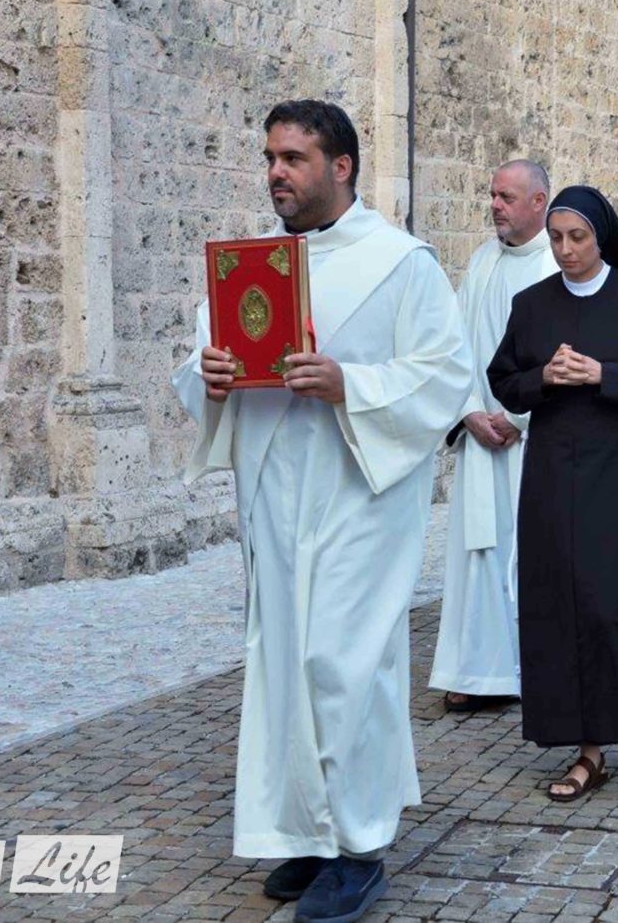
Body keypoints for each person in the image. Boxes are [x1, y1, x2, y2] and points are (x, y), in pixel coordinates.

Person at [172, 100, 473, 923]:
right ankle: (306, 832)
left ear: (341, 167)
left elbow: (447, 374)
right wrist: (209, 376)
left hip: (358, 495)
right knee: (283, 663)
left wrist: (351, 384)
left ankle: (359, 849)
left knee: (344, 663)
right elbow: (202, 366)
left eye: (293, 158)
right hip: (274, 495)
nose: (276, 172)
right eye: (270, 157)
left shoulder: (400, 263)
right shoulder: (248, 266)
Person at [486, 185, 618, 802]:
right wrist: (543, 378)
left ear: (601, 238)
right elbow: (505, 382)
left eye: (577, 237)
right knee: (561, 604)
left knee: (616, 601)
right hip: (552, 473)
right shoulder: (531, 305)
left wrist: (606, 375)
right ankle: (589, 748)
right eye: (556, 238)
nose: (565, 249)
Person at [429, 159, 558, 713]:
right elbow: (453, 346)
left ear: (539, 201)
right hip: (482, 437)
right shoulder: (483, 260)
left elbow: (566, 355)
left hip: (535, 441)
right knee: (478, 552)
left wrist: (519, 417)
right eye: (492, 195)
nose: (495, 206)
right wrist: (469, 412)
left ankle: (537, 668)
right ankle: (479, 670)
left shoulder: (557, 264)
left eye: (506, 197)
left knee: (535, 553)